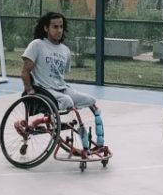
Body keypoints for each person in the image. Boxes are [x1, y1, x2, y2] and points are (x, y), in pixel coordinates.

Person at [21, 12, 108, 153]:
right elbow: (25, 71)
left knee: (91, 100)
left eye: (61, 26)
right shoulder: (37, 45)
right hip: (43, 89)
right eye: (55, 27)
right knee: (67, 101)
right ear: (46, 28)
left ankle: (100, 142)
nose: (59, 30)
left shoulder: (65, 50)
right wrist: (29, 90)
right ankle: (83, 144)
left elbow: (61, 75)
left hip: (61, 88)